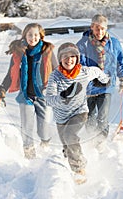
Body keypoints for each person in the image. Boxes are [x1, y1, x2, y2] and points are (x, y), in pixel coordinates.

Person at [46, 42, 109, 184]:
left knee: (70, 136)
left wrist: (105, 81)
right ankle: (68, 158)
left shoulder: (84, 72)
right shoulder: (55, 77)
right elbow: (49, 100)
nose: (69, 60)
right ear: (60, 59)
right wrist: (62, 97)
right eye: (65, 57)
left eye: (72, 56)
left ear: (77, 58)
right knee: (67, 145)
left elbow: (98, 71)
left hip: (80, 112)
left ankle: (79, 169)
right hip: (61, 117)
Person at [0, 23, 57, 159]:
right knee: (26, 129)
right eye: (30, 34)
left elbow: (57, 72)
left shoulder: (48, 51)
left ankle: (45, 142)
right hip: (26, 96)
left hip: (44, 96)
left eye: (35, 35)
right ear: (25, 36)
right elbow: (10, 74)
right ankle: (29, 154)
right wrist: (2, 89)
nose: (32, 38)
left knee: (44, 130)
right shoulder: (18, 53)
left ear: (40, 36)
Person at [76, 14, 123, 148]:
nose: (100, 32)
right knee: (89, 117)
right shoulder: (83, 44)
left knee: (102, 117)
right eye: (97, 28)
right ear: (92, 27)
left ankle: (101, 142)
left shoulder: (114, 43)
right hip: (89, 88)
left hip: (106, 86)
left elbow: (120, 62)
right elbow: (78, 65)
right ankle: (91, 138)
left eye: (103, 29)